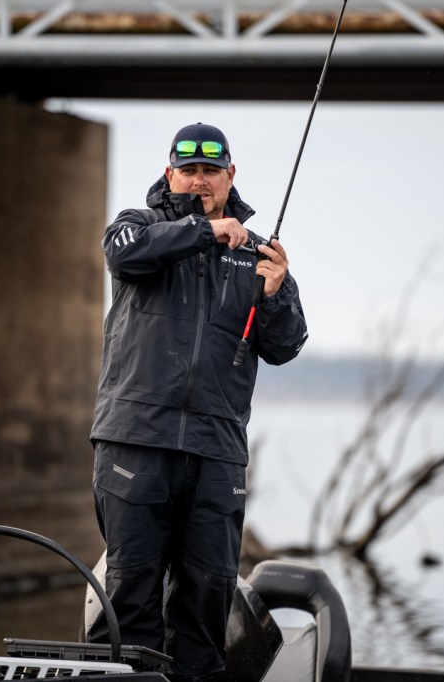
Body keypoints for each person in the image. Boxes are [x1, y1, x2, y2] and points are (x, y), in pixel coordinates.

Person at [87, 122, 308, 681]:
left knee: (208, 603)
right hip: (135, 444)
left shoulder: (257, 254)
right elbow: (124, 257)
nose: (199, 181)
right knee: (130, 601)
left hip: (216, 453)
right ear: (170, 175)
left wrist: (276, 293)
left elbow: (284, 347)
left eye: (211, 171)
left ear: (231, 176)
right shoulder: (138, 227)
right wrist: (206, 231)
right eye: (188, 171)